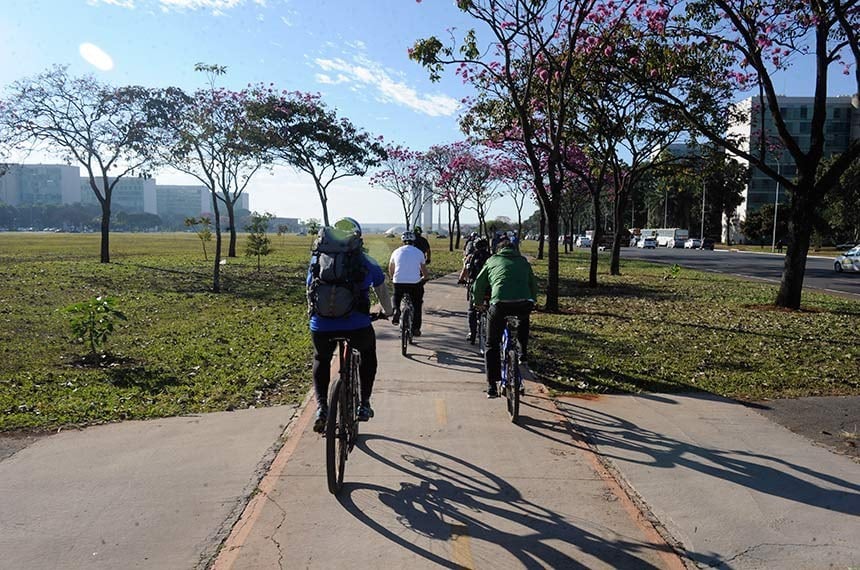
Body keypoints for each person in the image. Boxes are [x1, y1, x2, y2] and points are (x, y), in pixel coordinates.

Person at [307, 217, 393, 433]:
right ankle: (364, 404)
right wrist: (389, 312)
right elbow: (381, 289)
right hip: (356, 326)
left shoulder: (318, 259)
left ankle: (322, 408)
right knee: (368, 355)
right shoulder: (365, 261)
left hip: (322, 325)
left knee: (321, 358)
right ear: (357, 238)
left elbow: (310, 288)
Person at [472, 233, 538, 398]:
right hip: (524, 303)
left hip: (500, 304)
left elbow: (478, 285)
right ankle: (523, 353)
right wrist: (533, 301)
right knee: (523, 319)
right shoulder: (523, 262)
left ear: (498, 250)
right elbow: (533, 284)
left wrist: (478, 303)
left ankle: (492, 386)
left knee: (491, 343)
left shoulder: (492, 261)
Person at [389, 231, 429, 337]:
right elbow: (424, 272)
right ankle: (416, 328)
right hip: (414, 283)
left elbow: (391, 268)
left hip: (398, 282)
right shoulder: (419, 252)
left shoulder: (396, 252)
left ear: (403, 241)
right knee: (417, 304)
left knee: (396, 296)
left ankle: (396, 310)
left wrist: (393, 277)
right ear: (413, 241)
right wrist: (424, 278)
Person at [458, 236, 491, 344]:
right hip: (489, 287)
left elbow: (465, 271)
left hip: (475, 287)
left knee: (472, 310)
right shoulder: (492, 257)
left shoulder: (471, 257)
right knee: (490, 308)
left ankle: (472, 333)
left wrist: (461, 280)